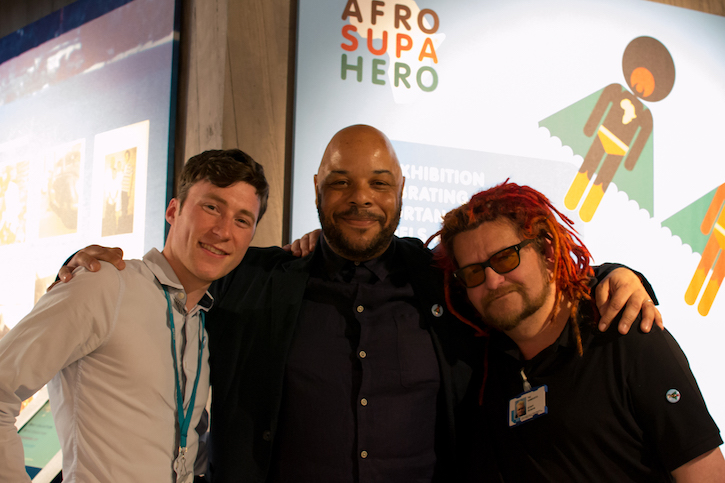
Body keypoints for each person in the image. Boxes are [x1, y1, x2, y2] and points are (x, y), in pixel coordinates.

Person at [60, 125, 660, 482]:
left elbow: (529, 293)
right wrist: (97, 266)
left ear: (400, 191)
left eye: (378, 183)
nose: (360, 198)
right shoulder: (263, 278)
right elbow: (191, 264)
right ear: (317, 190)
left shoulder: (444, 283)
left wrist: (616, 274)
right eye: (341, 182)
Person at [0, 149, 269, 482]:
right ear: (174, 210)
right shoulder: (106, 283)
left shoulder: (200, 319)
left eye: (242, 220)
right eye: (211, 207)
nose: (223, 230)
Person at [435, 181, 724, 481]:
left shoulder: (626, 334)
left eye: (506, 258)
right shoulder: (482, 365)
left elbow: (706, 474)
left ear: (547, 252)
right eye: (473, 272)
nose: (492, 281)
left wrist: (612, 273)